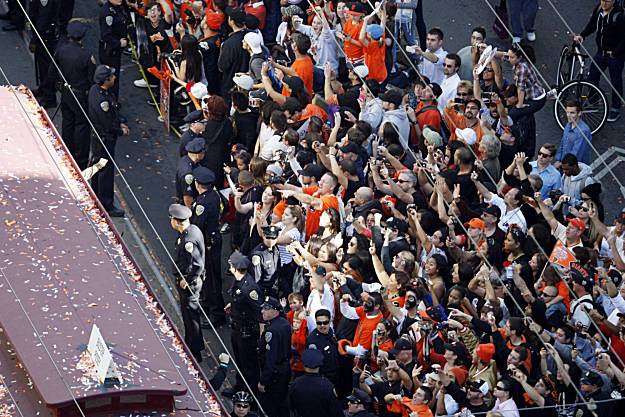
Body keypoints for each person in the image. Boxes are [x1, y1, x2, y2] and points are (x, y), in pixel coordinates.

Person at [51, 21, 96, 169]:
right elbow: (92, 78)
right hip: (80, 94)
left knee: (68, 121)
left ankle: (67, 150)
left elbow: (54, 70)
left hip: (66, 91)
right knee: (81, 125)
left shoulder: (61, 50)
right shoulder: (86, 55)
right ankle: (80, 158)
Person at [88, 65, 128, 217]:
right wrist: (120, 130)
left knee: (98, 167)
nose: (114, 78)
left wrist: (119, 122)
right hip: (104, 139)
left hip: (98, 137)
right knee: (105, 171)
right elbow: (107, 123)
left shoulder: (95, 91)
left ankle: (97, 196)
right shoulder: (102, 100)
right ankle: (106, 204)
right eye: (111, 77)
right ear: (105, 80)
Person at [574, 0, 625, 122]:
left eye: (607, 1)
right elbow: (592, 24)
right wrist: (582, 35)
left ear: (613, 1)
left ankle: (615, 108)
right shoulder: (599, 9)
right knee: (592, 76)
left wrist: (615, 52)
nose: (604, 4)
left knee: (616, 81)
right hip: (601, 53)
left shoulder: (619, 16)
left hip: (615, 56)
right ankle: (594, 101)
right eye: (602, 0)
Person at [169, 203, 205, 363]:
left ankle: (194, 351)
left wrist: (187, 280)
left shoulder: (188, 240)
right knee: (188, 315)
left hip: (190, 283)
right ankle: (191, 343)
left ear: (177, 221)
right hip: (189, 280)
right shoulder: (192, 230)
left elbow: (198, 264)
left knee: (191, 316)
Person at [190, 166, 226, 326]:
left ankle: (217, 314)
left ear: (198, 184)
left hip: (207, 243)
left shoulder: (202, 204)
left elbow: (197, 226)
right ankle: (207, 304)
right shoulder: (214, 195)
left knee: (211, 279)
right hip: (213, 239)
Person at [226, 251, 262, 394]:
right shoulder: (239, 281)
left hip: (246, 333)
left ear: (235, 268)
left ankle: (249, 394)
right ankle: (239, 387)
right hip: (237, 328)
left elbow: (258, 311)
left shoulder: (250, 288)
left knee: (249, 366)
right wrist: (233, 306)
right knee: (240, 362)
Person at [258, 296, 291, 417]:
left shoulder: (272, 330)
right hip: (284, 369)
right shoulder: (285, 324)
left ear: (275, 311)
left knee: (270, 406)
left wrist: (263, 381)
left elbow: (270, 359)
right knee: (281, 403)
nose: (262, 311)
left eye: (266, 309)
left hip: (274, 374)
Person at [288, 349, 343, 417]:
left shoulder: (295, 384)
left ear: (304, 365)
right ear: (319, 365)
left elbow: (291, 407)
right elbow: (336, 412)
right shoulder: (327, 386)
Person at [29, 0, 61, 107]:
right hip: (43, 34)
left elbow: (43, 18)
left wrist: (35, 39)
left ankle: (49, 96)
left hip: (44, 36)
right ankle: (43, 89)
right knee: (42, 66)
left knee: (46, 67)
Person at [98, 0, 128, 98]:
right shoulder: (108, 13)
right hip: (110, 51)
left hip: (115, 50)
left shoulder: (119, 6)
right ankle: (111, 100)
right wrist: (119, 43)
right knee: (111, 78)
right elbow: (106, 35)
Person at [218, 7, 250, 98]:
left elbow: (222, 67)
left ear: (231, 21)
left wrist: (221, 50)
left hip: (231, 85)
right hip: (248, 83)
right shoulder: (252, 35)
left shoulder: (229, 44)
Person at [555, 100, 592, 165]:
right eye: (567, 112)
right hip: (565, 164)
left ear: (579, 113)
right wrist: (558, 159)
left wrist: (563, 163)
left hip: (574, 166)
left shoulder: (583, 131)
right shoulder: (568, 124)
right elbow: (563, 143)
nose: (568, 115)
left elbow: (577, 152)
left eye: (572, 113)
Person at [176, 137, 208, 207]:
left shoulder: (185, 159)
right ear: (198, 154)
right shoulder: (188, 174)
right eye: (203, 153)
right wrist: (191, 212)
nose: (204, 154)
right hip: (186, 204)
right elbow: (188, 197)